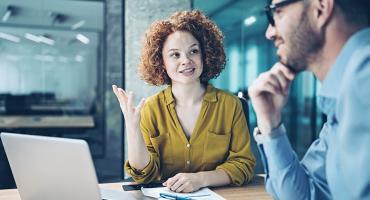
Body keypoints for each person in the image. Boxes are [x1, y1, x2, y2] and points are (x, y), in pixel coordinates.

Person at [112, 10, 255, 193]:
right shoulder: (150, 109)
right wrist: (132, 127)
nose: (186, 61)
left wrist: (200, 179)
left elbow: (244, 165)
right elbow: (143, 175)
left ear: (205, 55)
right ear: (161, 62)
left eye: (193, 51)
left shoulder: (231, 105)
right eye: (175, 55)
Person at [248, 0, 370, 199]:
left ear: (321, 9)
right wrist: (271, 124)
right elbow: (305, 195)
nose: (269, 33)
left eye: (276, 13)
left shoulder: (364, 78)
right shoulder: (340, 101)